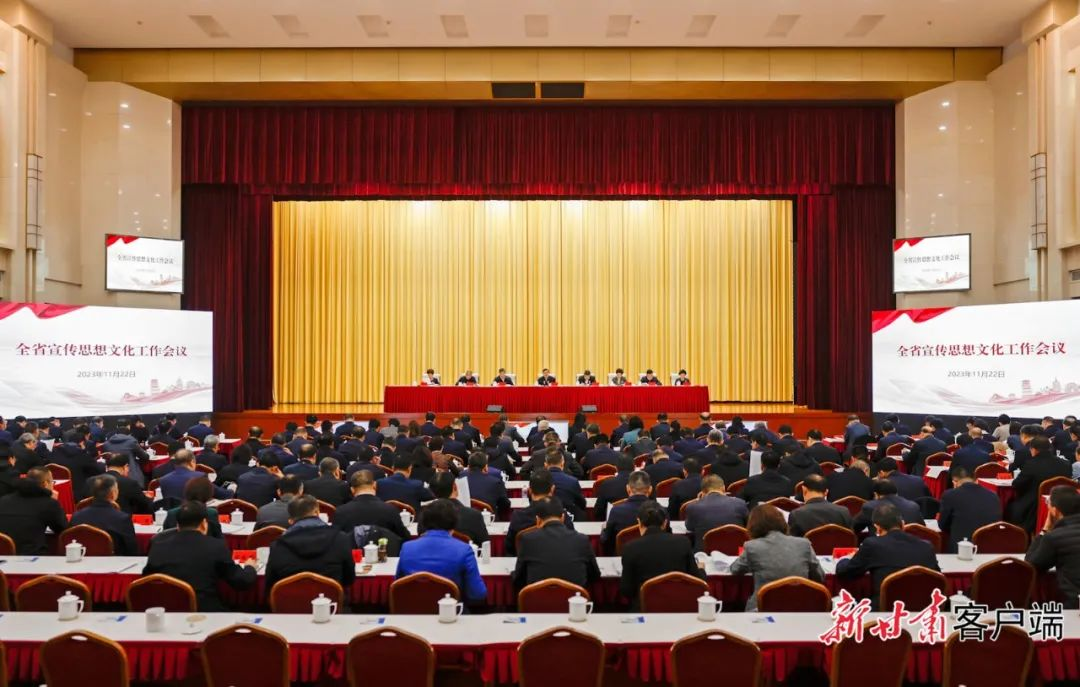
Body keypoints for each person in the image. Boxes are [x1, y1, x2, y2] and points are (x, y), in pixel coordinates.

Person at [143, 502, 257, 611]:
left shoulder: (158, 545)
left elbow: (147, 579)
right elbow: (241, 582)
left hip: (166, 610)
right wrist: (250, 567)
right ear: (204, 523)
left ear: (177, 525)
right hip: (204, 611)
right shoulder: (215, 546)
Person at [835, 504, 940, 609]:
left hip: (885, 610)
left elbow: (845, 573)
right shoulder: (927, 546)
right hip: (924, 609)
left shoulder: (872, 545)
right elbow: (937, 577)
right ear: (903, 524)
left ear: (877, 528)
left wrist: (845, 559)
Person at [730, 504, 825, 611]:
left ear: (753, 525)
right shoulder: (804, 544)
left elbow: (735, 570)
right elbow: (820, 577)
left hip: (762, 608)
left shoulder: (752, 547)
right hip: (802, 608)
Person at [395, 498, 487, 604]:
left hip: (412, 611)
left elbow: (398, 584)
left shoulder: (407, 548)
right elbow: (478, 594)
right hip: (451, 610)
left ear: (424, 522)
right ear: (454, 523)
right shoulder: (464, 550)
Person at [619, 502, 703, 610]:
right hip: (679, 605)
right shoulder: (683, 542)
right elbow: (696, 580)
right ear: (665, 523)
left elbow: (626, 590)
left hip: (645, 607)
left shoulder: (630, 548)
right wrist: (701, 569)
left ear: (639, 522)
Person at [265, 495, 356, 593]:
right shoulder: (340, 538)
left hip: (290, 601)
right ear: (317, 512)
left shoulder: (278, 546)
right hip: (331, 599)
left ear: (291, 521)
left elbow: (271, 585)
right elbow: (349, 578)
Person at [512, 497, 600, 591]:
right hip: (574, 598)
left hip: (537, 599)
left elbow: (518, 579)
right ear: (563, 518)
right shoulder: (582, 540)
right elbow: (595, 575)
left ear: (538, 520)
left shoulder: (527, 540)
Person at [1026, 485, 1080, 608]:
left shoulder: (1055, 537)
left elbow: (1031, 564)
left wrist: (1045, 530)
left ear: (1055, 511)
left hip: (1074, 606)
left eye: (1048, 504)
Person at [334, 470, 411, 550]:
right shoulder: (390, 510)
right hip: (385, 555)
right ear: (374, 485)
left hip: (352, 556)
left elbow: (335, 542)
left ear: (352, 490)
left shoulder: (341, 512)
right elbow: (405, 538)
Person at [506, 470, 576, 556]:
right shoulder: (562, 516)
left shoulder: (518, 516)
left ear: (530, 491)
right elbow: (571, 542)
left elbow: (509, 548)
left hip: (527, 562)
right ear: (552, 489)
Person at [1011, 435, 1072, 532]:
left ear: (1034, 450)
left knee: (1010, 507)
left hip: (1034, 507)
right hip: (1063, 505)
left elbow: (1016, 484)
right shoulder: (1066, 464)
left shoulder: (1031, 464)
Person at [0, 467, 68, 554]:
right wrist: (54, 502)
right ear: (45, 484)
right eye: (52, 482)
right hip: (33, 556)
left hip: (4, 555)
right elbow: (63, 528)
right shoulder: (48, 503)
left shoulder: (3, 500)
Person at [938, 464, 1002, 553]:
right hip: (990, 549)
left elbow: (942, 525)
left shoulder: (950, 495)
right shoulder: (993, 496)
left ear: (954, 482)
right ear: (976, 480)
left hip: (961, 549)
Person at [69, 474, 138, 555]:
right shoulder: (122, 519)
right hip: (114, 561)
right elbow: (132, 551)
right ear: (113, 493)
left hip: (82, 560)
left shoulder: (76, 517)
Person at [420, 472, 488, 545]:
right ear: (455, 486)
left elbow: (421, 539)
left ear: (432, 492)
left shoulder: (425, 515)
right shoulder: (474, 516)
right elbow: (485, 545)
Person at [684, 475, 749, 550]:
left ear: (702, 492)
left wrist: (699, 501)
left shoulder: (693, 506)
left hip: (705, 552)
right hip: (737, 551)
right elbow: (748, 526)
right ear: (723, 488)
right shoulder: (740, 503)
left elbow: (689, 527)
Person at [601, 471, 654, 554]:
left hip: (623, 555)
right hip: (652, 555)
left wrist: (603, 530)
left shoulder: (616, 511)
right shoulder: (660, 510)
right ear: (650, 489)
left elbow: (606, 540)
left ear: (628, 489)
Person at [787, 474, 853, 536]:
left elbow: (793, 542)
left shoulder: (796, 514)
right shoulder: (844, 512)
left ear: (804, 490)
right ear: (826, 492)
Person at [852, 479, 924, 533]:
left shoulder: (870, 507)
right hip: (911, 546)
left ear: (876, 495)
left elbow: (854, 527)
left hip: (880, 546)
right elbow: (922, 529)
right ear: (896, 492)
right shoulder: (913, 506)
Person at [53, 429, 104, 500]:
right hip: (79, 492)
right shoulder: (83, 455)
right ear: (82, 443)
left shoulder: (54, 453)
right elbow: (97, 471)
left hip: (57, 491)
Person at [160, 449, 230, 501]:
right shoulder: (200, 476)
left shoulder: (163, 480)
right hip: (194, 514)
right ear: (192, 462)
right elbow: (221, 494)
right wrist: (231, 489)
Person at [101, 419, 149, 487]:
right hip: (131, 475)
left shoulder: (106, 444)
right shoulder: (132, 441)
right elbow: (145, 457)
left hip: (111, 479)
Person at [668, 457, 703, 521]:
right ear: (702, 471)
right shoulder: (710, 483)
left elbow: (672, 509)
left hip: (682, 520)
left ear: (684, 471)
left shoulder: (678, 485)